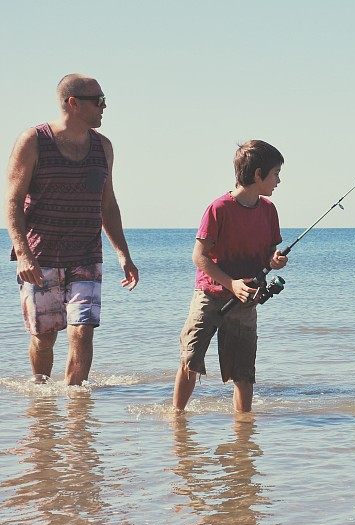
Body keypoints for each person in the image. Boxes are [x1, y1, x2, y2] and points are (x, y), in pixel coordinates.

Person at [5, 73, 139, 386]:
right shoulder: (33, 141)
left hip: (86, 254)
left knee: (83, 329)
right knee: (45, 337)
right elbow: (11, 203)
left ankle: (76, 410)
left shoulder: (103, 148)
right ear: (73, 103)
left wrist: (124, 255)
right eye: (99, 101)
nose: (105, 107)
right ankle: (41, 400)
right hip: (41, 256)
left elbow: (108, 206)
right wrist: (23, 255)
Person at [172, 140, 287, 413]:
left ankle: (242, 432)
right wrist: (231, 283)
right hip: (209, 296)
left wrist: (275, 261)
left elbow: (268, 255)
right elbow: (198, 257)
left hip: (246, 301)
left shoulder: (269, 210)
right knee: (191, 361)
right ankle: (177, 419)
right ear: (258, 174)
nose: (279, 181)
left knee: (244, 374)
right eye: (275, 174)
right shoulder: (218, 209)